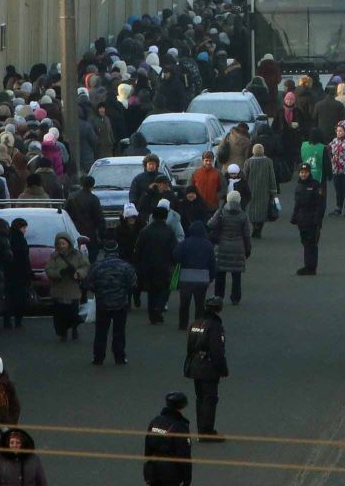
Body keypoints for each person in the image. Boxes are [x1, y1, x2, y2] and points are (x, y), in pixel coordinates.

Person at [183, 296, 229, 442]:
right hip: (208, 366)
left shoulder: (195, 322)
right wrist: (223, 369)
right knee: (210, 399)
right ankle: (207, 432)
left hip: (195, 365)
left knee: (200, 398)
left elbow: (189, 346)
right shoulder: (215, 326)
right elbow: (217, 351)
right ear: (219, 309)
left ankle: (202, 429)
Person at [86, 239, 137, 366]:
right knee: (119, 331)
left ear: (104, 251)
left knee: (101, 331)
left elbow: (89, 284)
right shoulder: (125, 266)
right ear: (117, 250)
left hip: (102, 303)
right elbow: (133, 285)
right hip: (120, 303)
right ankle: (119, 357)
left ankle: (98, 357)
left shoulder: (97, 266)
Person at [133, 206, 178, 324]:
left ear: (153, 216)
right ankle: (159, 308)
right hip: (165, 266)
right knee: (164, 289)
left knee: (151, 291)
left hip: (148, 265)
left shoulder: (145, 231)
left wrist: (138, 264)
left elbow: (138, 249)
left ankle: (152, 313)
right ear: (165, 217)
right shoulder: (169, 231)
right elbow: (175, 250)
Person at [207, 193, 252, 306]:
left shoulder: (221, 212)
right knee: (236, 275)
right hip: (238, 247)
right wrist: (248, 248)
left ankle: (219, 296)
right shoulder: (243, 215)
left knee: (220, 274)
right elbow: (247, 234)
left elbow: (210, 224)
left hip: (222, 246)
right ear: (239, 200)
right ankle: (235, 298)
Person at [44, 233, 89, 342]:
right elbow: (49, 270)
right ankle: (62, 332)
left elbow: (85, 266)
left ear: (69, 243)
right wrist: (60, 273)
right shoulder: (54, 256)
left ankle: (74, 328)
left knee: (73, 312)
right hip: (58, 288)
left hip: (73, 288)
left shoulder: (77, 255)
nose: (62, 246)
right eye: (59, 244)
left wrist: (78, 273)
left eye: (64, 243)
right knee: (60, 314)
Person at [143, 390, 194, 485]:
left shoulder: (155, 421)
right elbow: (184, 455)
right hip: (171, 474)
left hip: (154, 470)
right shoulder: (180, 426)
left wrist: (148, 468)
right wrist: (187, 479)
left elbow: (148, 447)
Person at [291, 164, 326, 275]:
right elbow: (297, 204)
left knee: (312, 244)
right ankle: (308, 266)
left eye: (305, 172)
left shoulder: (316, 185)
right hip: (302, 220)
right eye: (301, 172)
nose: (303, 174)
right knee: (305, 243)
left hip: (312, 219)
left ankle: (311, 267)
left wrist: (318, 219)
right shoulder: (299, 186)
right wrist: (294, 217)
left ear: (309, 172)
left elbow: (320, 204)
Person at [242, 144, 278, 239]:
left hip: (251, 190)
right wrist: (273, 190)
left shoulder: (248, 162)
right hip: (264, 191)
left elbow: (244, 177)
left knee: (252, 211)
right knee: (262, 211)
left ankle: (254, 226)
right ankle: (259, 229)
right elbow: (272, 177)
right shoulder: (268, 161)